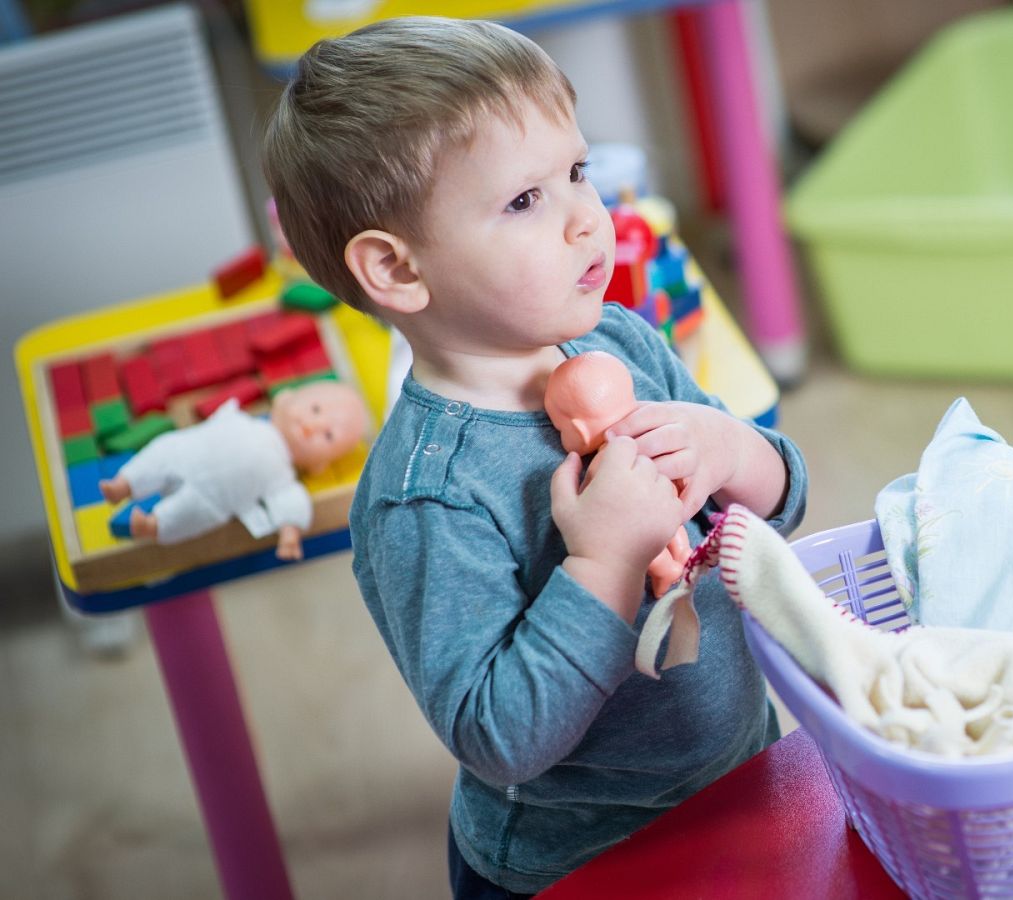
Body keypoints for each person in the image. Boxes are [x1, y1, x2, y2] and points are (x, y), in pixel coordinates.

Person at [261, 16, 807, 896]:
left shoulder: (624, 341)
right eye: (526, 201)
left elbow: (779, 506)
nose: (588, 220)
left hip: (743, 767)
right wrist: (604, 561)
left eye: (578, 173)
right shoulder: (426, 498)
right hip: (583, 860)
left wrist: (733, 448)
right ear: (396, 272)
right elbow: (498, 735)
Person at [99, 380, 369, 560]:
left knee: (191, 514)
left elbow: (292, 504)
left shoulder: (282, 477)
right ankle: (124, 484)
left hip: (211, 497)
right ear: (285, 400)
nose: (313, 424)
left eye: (329, 435)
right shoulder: (243, 418)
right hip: (187, 451)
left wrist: (290, 533)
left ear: (319, 465)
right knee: (162, 451)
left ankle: (152, 526)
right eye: (315, 408)